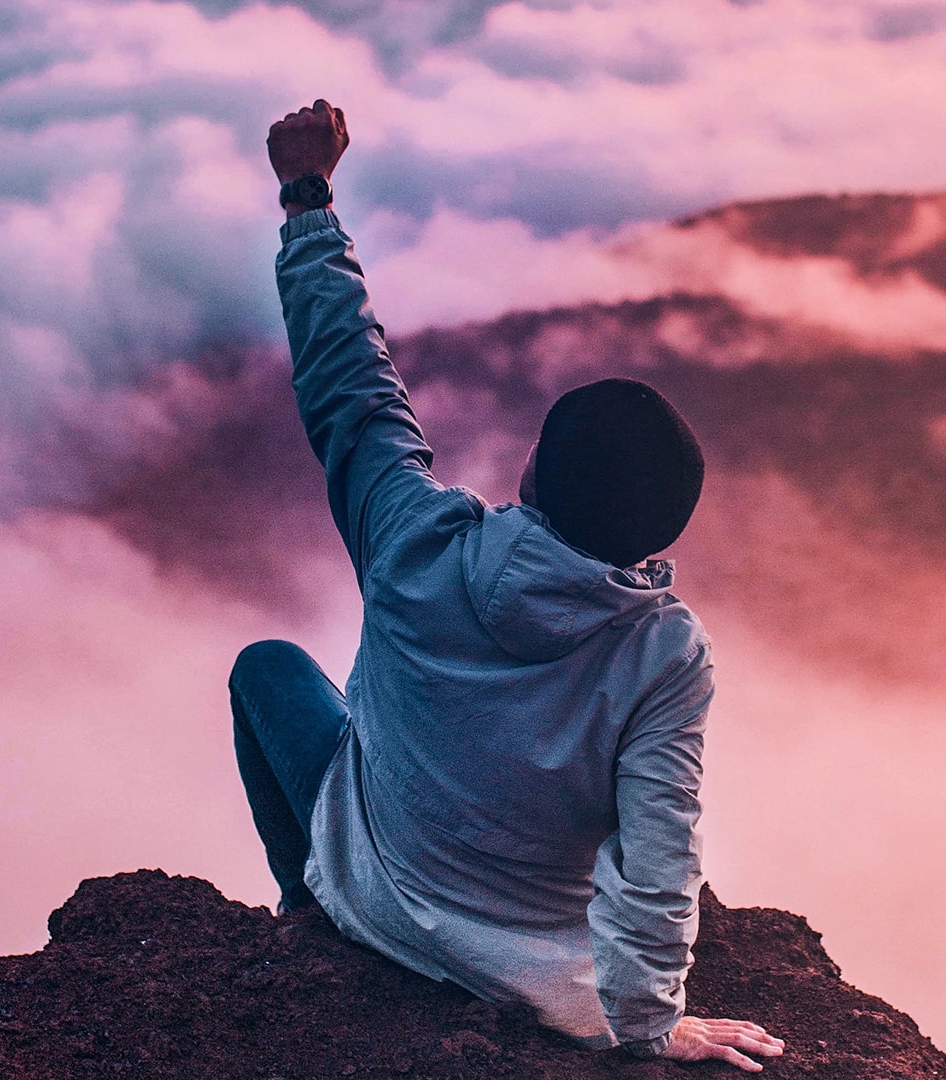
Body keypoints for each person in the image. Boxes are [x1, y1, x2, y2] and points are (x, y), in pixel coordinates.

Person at [228, 98, 785, 1072]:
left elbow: (351, 390)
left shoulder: (414, 539)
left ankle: (306, 905)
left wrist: (307, 200)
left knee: (268, 669)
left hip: (376, 899)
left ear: (533, 475)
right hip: (538, 980)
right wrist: (652, 1026)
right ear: (661, 532)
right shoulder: (664, 652)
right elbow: (662, 860)